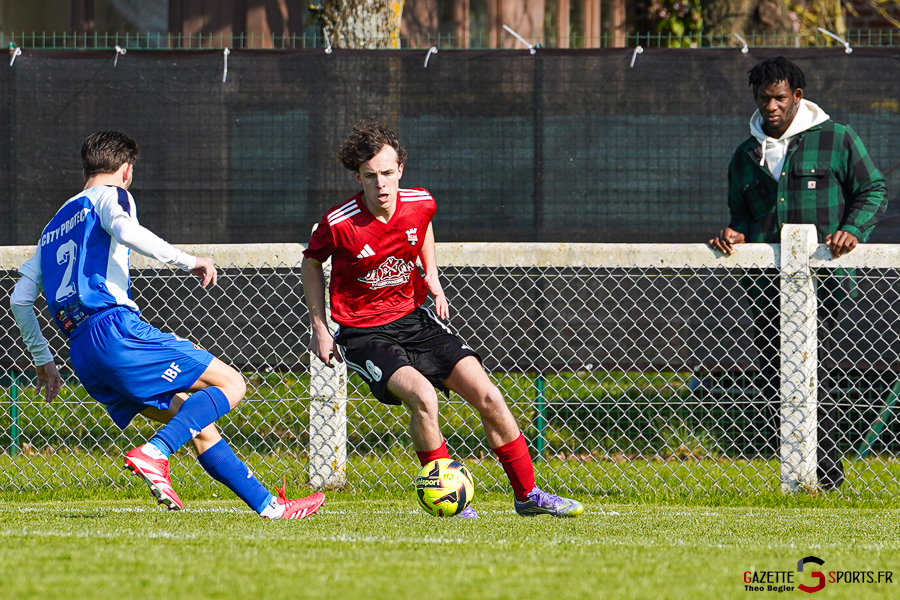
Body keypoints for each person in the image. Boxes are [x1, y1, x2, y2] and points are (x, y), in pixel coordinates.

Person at [10, 130, 325, 518]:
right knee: (231, 383)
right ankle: (155, 453)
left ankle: (270, 506)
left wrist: (44, 361)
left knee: (196, 422)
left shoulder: (52, 226)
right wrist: (188, 260)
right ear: (125, 170)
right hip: (115, 330)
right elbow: (126, 231)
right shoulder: (113, 196)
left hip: (82, 353)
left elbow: (19, 300)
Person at [302, 119, 583, 517]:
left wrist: (431, 274)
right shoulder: (339, 222)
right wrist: (320, 327)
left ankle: (528, 496)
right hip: (364, 333)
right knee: (423, 396)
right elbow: (311, 264)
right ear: (357, 177)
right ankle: (451, 499)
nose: (381, 184)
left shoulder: (420, 202)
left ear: (400, 169)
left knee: (489, 396)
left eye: (387, 173)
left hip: (415, 320)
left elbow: (423, 226)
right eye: (370, 176)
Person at [709, 57, 888, 489]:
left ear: (797, 97)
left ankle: (824, 478)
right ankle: (805, 477)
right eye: (763, 98)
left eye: (779, 98)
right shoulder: (745, 154)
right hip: (765, 288)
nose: (770, 106)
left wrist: (851, 230)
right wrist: (735, 235)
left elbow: (873, 190)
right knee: (776, 376)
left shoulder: (837, 138)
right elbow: (742, 216)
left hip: (823, 284)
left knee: (812, 375)